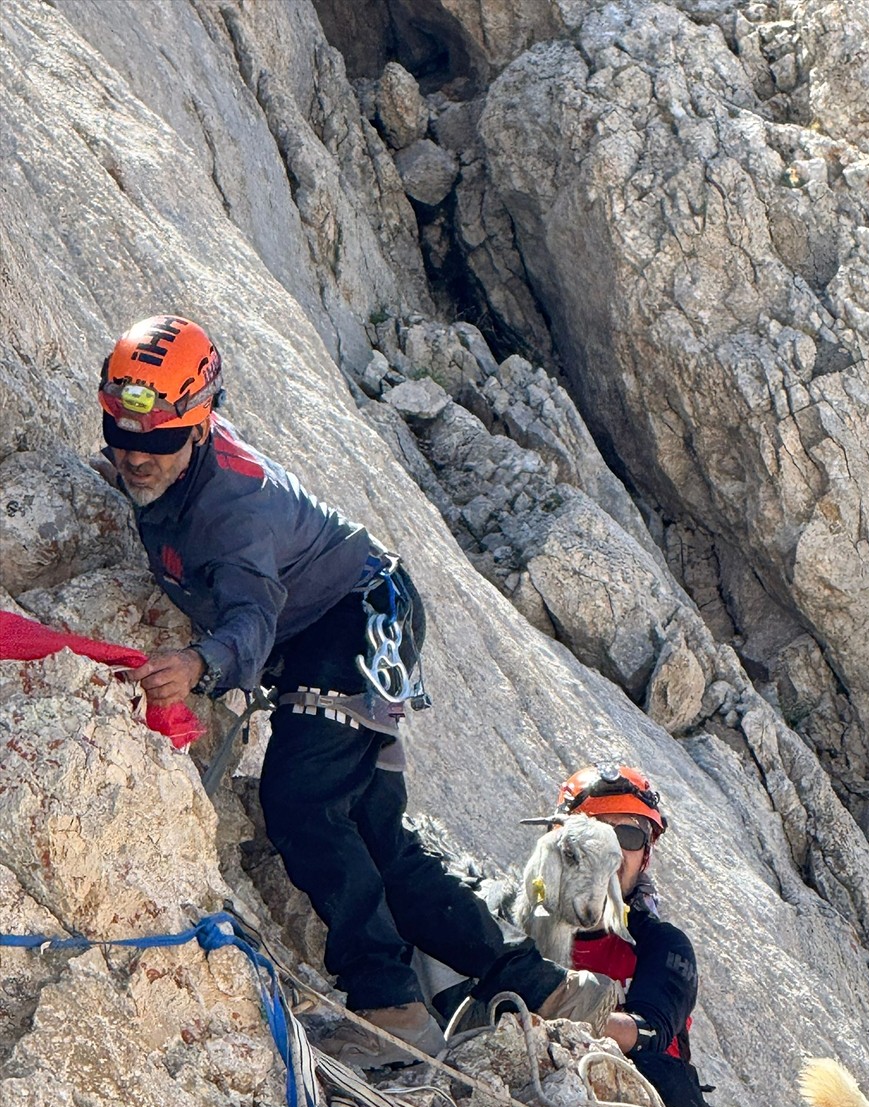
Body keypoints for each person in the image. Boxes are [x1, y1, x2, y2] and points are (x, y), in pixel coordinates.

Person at [97, 313, 614, 1068]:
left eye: (159, 442)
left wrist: (202, 664)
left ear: (201, 427)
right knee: (374, 832)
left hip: (355, 620)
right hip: (362, 613)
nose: (136, 456)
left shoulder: (230, 513)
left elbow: (251, 613)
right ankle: (539, 986)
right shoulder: (179, 460)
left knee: (303, 803)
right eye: (122, 436)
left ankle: (389, 1003)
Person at [558, 764, 714, 1107]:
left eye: (627, 837)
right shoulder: (523, 930)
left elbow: (650, 1031)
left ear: (644, 856)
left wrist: (552, 1003)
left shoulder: (662, 946)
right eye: (593, 831)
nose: (609, 851)